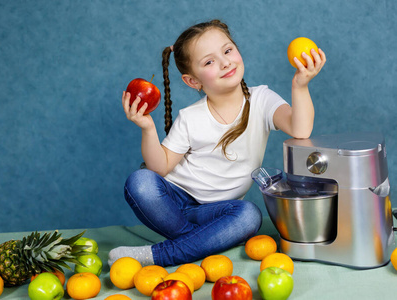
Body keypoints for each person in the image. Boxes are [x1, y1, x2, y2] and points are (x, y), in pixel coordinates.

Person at [109, 19, 326, 267]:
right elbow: (160, 168)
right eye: (209, 62)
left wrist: (300, 85)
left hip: (219, 212)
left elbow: (300, 128)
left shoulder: (262, 99)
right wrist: (148, 128)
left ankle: (161, 254)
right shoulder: (190, 117)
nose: (225, 62)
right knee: (140, 181)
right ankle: (202, 242)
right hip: (175, 205)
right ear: (193, 81)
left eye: (227, 50)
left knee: (248, 215)